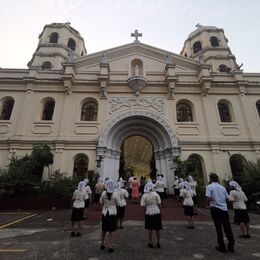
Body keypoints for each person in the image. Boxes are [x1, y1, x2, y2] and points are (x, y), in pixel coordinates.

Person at [206, 172, 235, 253]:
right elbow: (227, 198)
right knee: (227, 227)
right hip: (224, 209)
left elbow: (208, 198)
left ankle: (221, 246)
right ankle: (231, 245)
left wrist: (211, 202)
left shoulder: (209, 186)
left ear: (211, 179)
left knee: (218, 227)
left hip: (215, 208)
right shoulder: (222, 187)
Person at [140, 181, 163, 249]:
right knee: (157, 228)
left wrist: (144, 213)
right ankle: (158, 242)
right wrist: (162, 211)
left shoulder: (144, 195)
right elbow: (159, 204)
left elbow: (143, 206)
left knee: (149, 228)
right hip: (156, 211)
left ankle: (150, 242)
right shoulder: (156, 194)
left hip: (148, 212)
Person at [100, 180, 120, 253]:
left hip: (105, 212)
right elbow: (118, 204)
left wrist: (106, 205)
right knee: (111, 231)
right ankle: (110, 246)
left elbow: (101, 202)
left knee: (104, 230)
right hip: (112, 213)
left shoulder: (103, 193)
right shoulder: (115, 194)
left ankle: (102, 244)